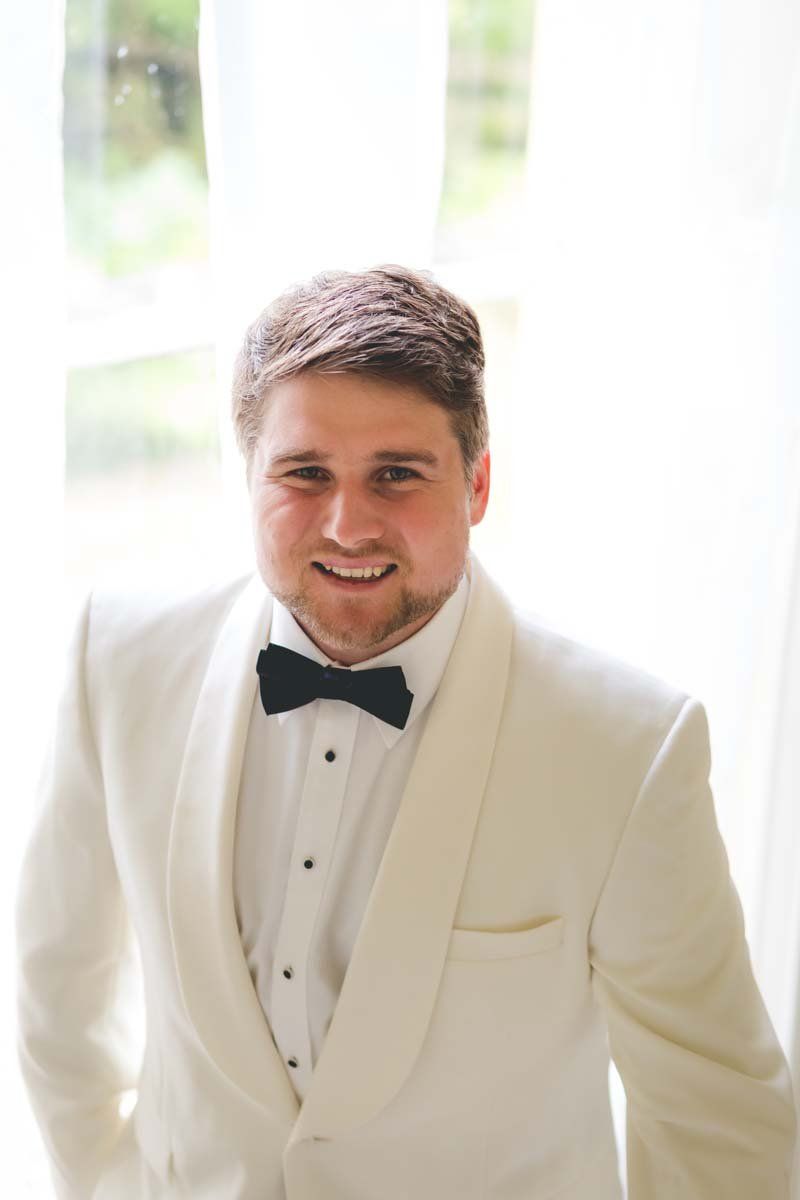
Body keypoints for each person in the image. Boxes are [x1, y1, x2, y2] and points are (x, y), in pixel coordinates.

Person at [16, 265, 796, 1200]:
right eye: (305, 474)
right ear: (250, 476)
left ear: (478, 485)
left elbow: (719, 1126)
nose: (348, 525)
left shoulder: (629, 750)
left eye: (398, 474)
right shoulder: (119, 656)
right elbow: (58, 993)